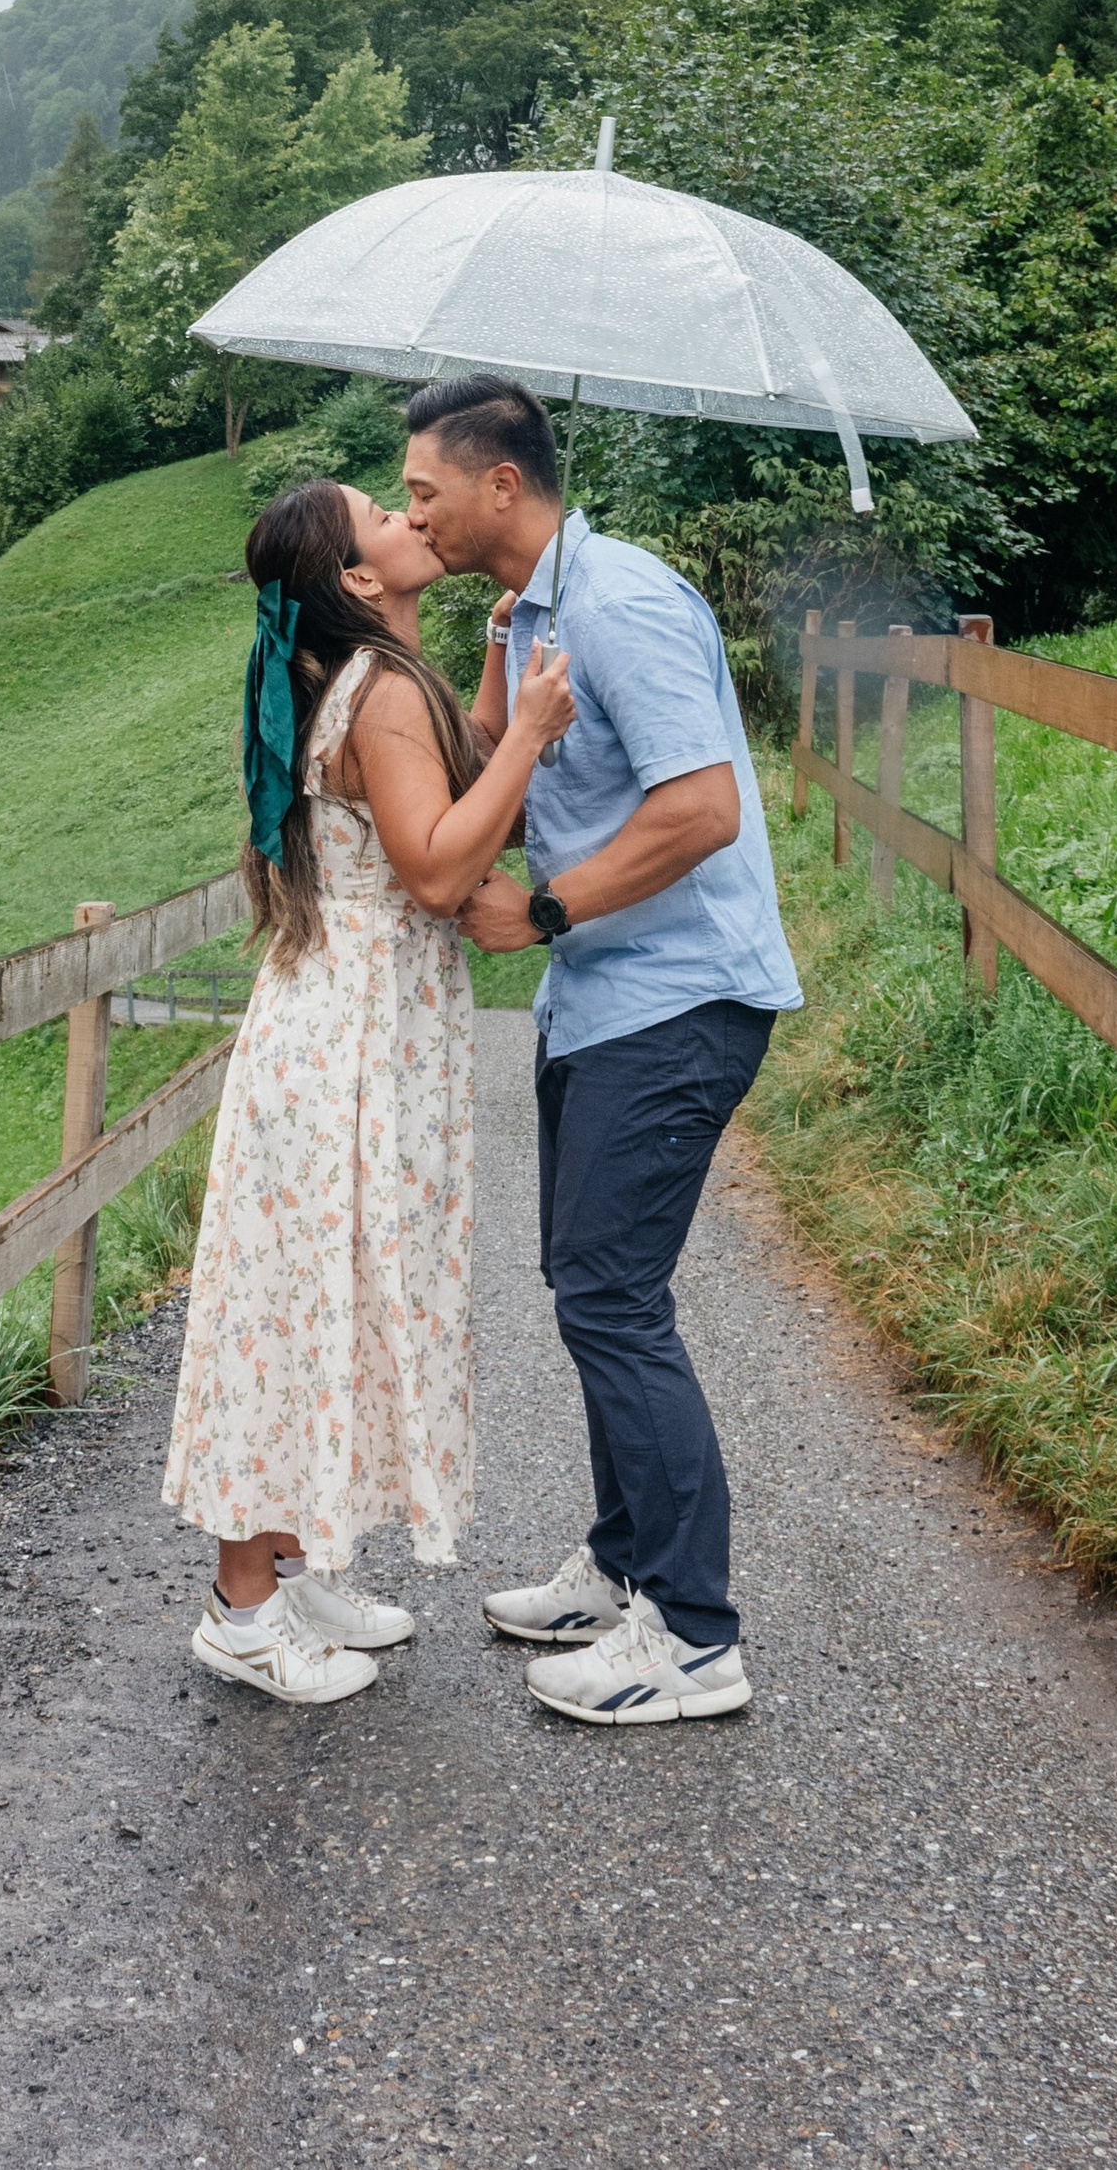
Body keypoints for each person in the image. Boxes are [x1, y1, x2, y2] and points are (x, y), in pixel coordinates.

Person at [405, 373, 801, 1727]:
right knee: (589, 1285)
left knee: (613, 1296)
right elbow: (496, 774)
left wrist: (547, 907)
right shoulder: (536, 610)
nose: (415, 510)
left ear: (499, 482)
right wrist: (493, 662)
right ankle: (626, 1561)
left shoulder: (622, 599)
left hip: (676, 996)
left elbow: (700, 807)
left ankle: (692, 1633)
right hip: (603, 999)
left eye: (423, 488)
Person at [162, 475, 573, 1707]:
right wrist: (540, 735)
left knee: (315, 1299)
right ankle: (240, 1608)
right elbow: (444, 868)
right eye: (382, 517)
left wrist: (499, 684)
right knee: (298, 1302)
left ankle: (283, 1568)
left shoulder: (368, 678)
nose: (410, 520)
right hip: (345, 1043)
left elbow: (450, 791)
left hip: (342, 1028)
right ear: (355, 577)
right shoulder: (380, 691)